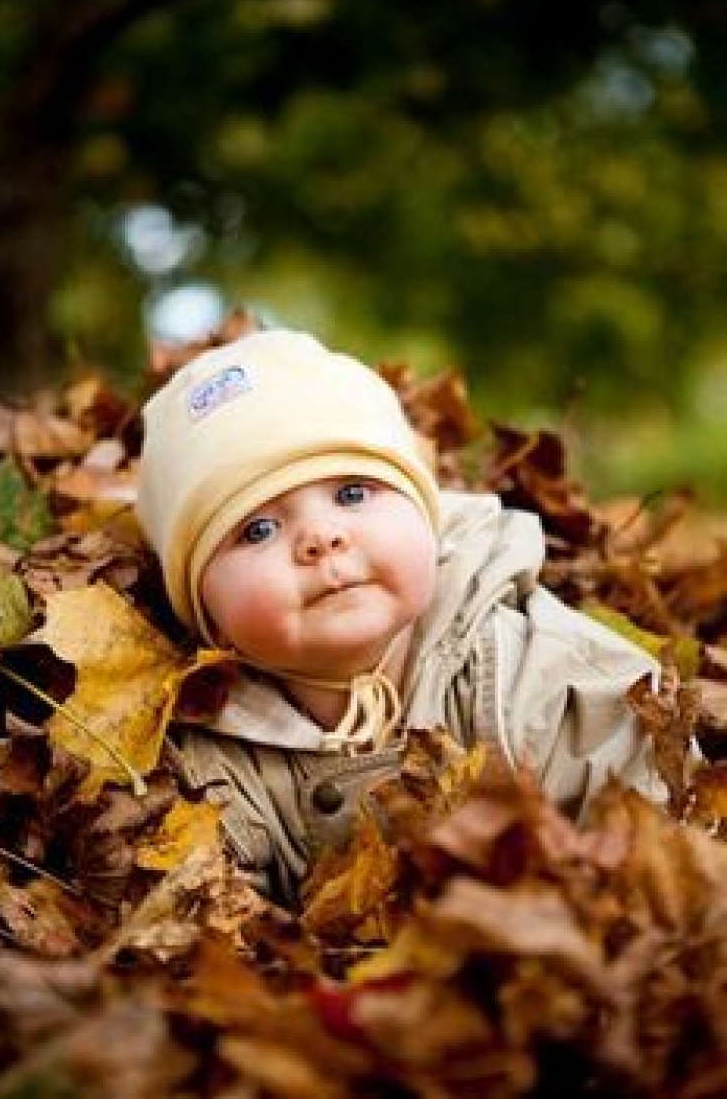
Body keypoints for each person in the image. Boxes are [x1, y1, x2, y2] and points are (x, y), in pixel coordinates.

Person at [136, 327, 665, 902]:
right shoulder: (214, 762)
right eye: (257, 529)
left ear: (426, 519)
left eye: (353, 493)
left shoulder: (538, 678)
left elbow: (656, 851)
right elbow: (206, 942)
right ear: (206, 612)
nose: (321, 537)